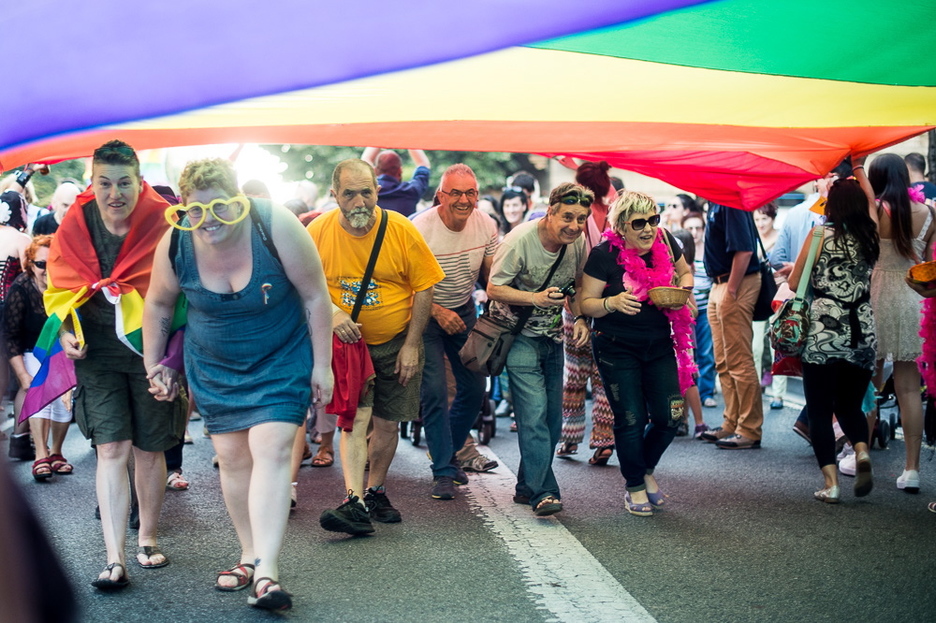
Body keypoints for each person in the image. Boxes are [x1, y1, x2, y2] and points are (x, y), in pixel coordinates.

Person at [143, 158, 333, 611]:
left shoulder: (276, 225)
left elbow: (314, 294)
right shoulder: (176, 243)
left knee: (270, 447)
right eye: (196, 212)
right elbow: (158, 304)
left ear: (241, 202)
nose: (209, 221)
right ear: (184, 210)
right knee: (230, 458)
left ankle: (267, 571)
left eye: (222, 208)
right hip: (214, 365)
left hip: (280, 357)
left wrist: (321, 365)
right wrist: (154, 365)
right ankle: (248, 554)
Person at [33, 140, 186, 590]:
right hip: (96, 353)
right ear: (92, 183)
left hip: (149, 351)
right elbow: (58, 291)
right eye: (105, 183)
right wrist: (63, 332)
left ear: (139, 182)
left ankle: (148, 537)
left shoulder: (164, 223)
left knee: (148, 449)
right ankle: (114, 557)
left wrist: (172, 361)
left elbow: (181, 298)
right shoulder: (74, 224)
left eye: (124, 183)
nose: (114, 193)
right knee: (112, 448)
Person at [310, 159, 443, 534]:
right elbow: (305, 287)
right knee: (357, 420)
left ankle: (375, 490)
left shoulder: (401, 229)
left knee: (387, 423)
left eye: (365, 192)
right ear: (334, 194)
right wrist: (334, 313)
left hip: (396, 342)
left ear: (378, 191)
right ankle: (353, 501)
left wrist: (413, 344)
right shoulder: (318, 231)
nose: (359, 202)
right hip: (350, 349)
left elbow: (425, 286)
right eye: (349, 193)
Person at [580, 190, 694, 515]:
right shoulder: (603, 255)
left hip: (658, 346)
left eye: (653, 220)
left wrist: (681, 291)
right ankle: (634, 486)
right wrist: (610, 303)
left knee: (670, 416)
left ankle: (644, 469)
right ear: (621, 227)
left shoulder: (667, 241)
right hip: (616, 347)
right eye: (639, 222)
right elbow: (585, 302)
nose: (648, 229)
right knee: (630, 419)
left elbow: (685, 273)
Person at [487, 182, 592, 516]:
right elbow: (493, 287)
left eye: (581, 219)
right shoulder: (520, 240)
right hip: (517, 338)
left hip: (553, 339)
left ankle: (525, 484)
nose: (575, 226)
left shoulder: (577, 243)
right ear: (550, 211)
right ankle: (544, 492)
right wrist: (534, 298)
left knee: (552, 421)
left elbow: (575, 286)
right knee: (532, 418)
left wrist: (580, 319)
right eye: (568, 217)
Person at [789, 165, 880, 503]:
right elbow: (872, 204)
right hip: (864, 330)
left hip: (825, 331)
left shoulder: (818, 236)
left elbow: (795, 283)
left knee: (819, 408)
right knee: (850, 404)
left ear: (832, 207)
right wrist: (859, 164)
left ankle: (831, 484)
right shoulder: (871, 235)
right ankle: (861, 449)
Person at [412, 164, 498, 499]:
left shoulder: (486, 224)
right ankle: (444, 472)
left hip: (464, 311)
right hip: (425, 313)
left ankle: (445, 452)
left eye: (470, 193)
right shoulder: (420, 228)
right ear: (440, 196)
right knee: (433, 390)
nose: (464, 200)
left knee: (476, 389)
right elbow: (404, 285)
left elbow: (491, 278)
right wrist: (436, 311)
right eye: (456, 193)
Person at [866, 153, 935, 492]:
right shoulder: (929, 213)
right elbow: (930, 267)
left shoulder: (875, 210)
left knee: (870, 383)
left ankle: (859, 455)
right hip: (912, 297)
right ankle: (912, 470)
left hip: (876, 294)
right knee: (909, 389)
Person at [555, 161, 614, 465]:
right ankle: (604, 440)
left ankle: (569, 438)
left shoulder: (577, 218)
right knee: (603, 374)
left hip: (577, 304)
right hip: (609, 307)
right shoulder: (616, 212)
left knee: (575, 373)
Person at [5, 235, 74, 480]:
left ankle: (56, 452)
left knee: (65, 400)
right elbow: (10, 336)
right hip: (29, 351)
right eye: (40, 264)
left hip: (64, 350)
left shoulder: (68, 286)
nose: (46, 270)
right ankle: (41, 455)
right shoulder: (21, 287)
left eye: (51, 263)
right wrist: (23, 376)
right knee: (38, 385)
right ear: (30, 264)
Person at [698, 202, 764, 449]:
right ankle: (732, 422)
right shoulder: (716, 200)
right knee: (724, 361)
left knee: (738, 360)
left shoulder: (730, 201)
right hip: (720, 284)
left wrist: (732, 289)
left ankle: (749, 429)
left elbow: (745, 250)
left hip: (735, 284)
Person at [0, 191, 32, 459]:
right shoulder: (21, 239)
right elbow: (30, 275)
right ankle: (20, 438)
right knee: (21, 370)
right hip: (10, 309)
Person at [751, 202, 786, 409]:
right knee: (755, 346)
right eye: (757, 219)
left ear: (773, 218)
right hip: (756, 297)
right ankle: (754, 389)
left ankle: (778, 395)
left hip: (778, 296)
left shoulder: (780, 237)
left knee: (778, 345)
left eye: (764, 218)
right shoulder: (752, 240)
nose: (761, 223)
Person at [682, 212, 717, 415]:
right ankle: (688, 395)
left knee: (705, 352)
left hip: (704, 309)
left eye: (698, 228)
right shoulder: (679, 251)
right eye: (690, 228)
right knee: (687, 355)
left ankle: (706, 393)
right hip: (684, 311)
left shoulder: (708, 251)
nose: (694, 233)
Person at [361, 148, 431, 217]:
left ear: (375, 170)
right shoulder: (411, 191)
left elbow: (365, 160)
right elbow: (423, 164)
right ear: (400, 170)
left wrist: (379, 138)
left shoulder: (365, 191)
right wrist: (410, 140)